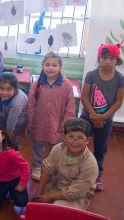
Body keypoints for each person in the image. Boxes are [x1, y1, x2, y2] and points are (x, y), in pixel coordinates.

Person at [80, 43, 124, 191]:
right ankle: (76, 170)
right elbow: (84, 97)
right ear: (99, 59)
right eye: (104, 58)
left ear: (117, 60)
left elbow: (118, 102)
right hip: (87, 117)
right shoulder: (91, 75)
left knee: (100, 149)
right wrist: (94, 116)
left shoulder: (120, 78)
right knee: (79, 144)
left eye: (112, 58)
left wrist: (103, 117)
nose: (107, 61)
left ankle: (97, 175)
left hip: (106, 120)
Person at [27, 52, 75, 181]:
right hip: (39, 122)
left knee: (56, 147)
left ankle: (53, 167)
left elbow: (70, 109)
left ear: (60, 67)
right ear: (42, 66)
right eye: (47, 64)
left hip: (57, 123)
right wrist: (30, 121)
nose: (50, 68)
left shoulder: (66, 85)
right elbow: (31, 104)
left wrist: (65, 125)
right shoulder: (37, 83)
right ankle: (37, 166)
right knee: (37, 145)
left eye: (54, 65)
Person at [33, 118, 99, 210]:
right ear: (64, 137)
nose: (74, 142)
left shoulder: (90, 164)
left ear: (87, 140)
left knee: (58, 209)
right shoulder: (57, 149)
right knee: (38, 205)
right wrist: (38, 194)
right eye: (71, 137)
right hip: (55, 185)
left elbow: (76, 192)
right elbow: (47, 171)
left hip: (77, 196)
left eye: (80, 138)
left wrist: (49, 197)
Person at [0, 122, 29, 212]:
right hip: (0, 181)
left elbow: (25, 166)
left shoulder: (11, 153)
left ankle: (12, 193)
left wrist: (22, 184)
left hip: (14, 180)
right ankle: (5, 193)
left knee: (22, 202)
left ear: (3, 135)